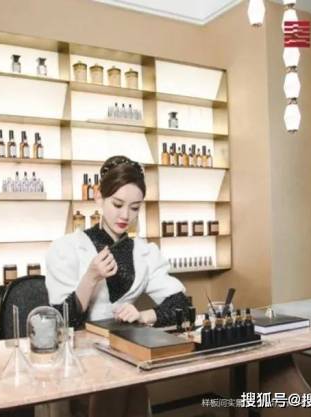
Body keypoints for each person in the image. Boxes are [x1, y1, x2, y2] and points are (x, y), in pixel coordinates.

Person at [45, 155, 189, 417]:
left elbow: (181, 303)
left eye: (135, 208)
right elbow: (59, 322)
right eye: (118, 204)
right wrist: (91, 277)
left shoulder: (144, 252)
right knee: (115, 384)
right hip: (79, 361)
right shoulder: (66, 248)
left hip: (127, 354)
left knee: (129, 380)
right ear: (98, 197)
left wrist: (143, 315)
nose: (125, 216)